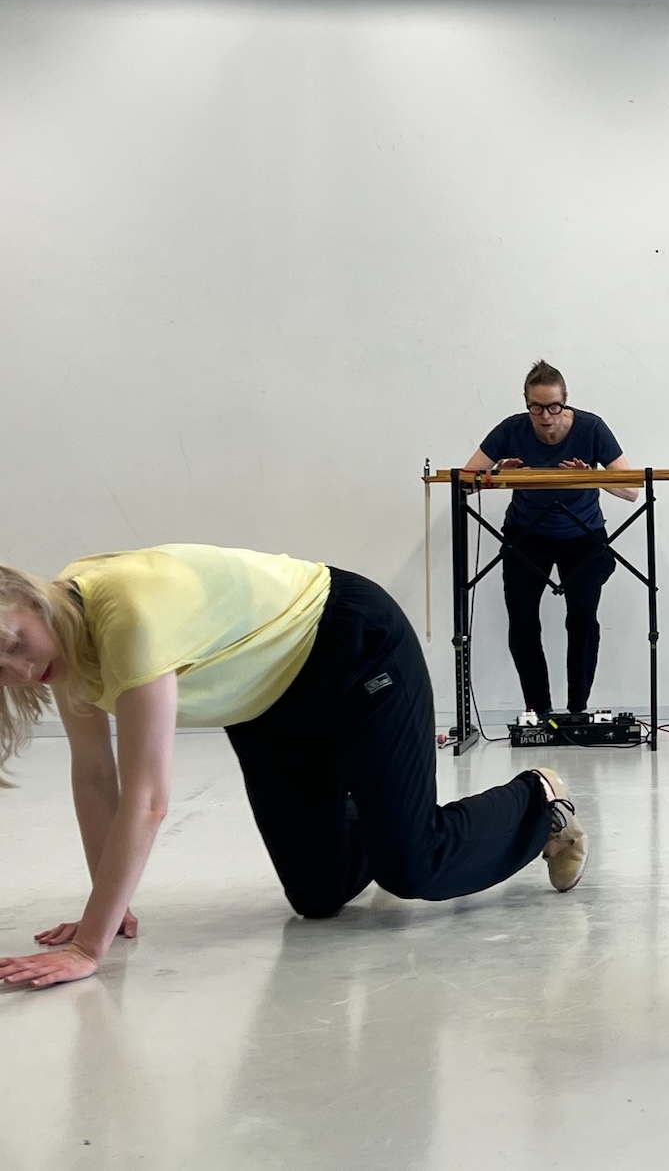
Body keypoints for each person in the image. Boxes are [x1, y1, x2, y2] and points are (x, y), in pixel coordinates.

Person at [0, 543, 589, 990]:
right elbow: (95, 775)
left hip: (352, 646)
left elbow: (148, 802)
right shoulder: (64, 653)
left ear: (31, 598)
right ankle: (388, 815)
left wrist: (88, 948)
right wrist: (110, 905)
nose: (20, 670)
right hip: (264, 703)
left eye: (15, 642)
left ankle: (539, 804)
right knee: (318, 892)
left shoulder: (124, 615)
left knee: (413, 868)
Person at [465, 360, 637, 716]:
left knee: (582, 617)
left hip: (583, 536)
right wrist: (496, 475)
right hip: (527, 536)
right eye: (537, 408)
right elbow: (465, 480)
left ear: (566, 401)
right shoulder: (511, 430)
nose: (546, 416)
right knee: (523, 620)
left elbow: (632, 490)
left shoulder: (591, 428)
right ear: (526, 403)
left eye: (554, 407)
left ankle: (577, 710)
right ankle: (539, 712)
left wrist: (592, 477)